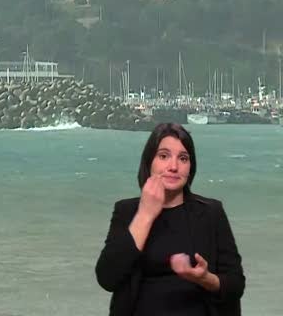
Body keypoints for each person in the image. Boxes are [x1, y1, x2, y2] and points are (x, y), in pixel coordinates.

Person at [95, 122, 245, 316]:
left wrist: (205, 278)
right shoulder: (126, 211)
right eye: (164, 156)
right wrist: (146, 214)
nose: (173, 166)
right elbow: (107, 278)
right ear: (149, 163)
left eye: (183, 158)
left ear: (190, 167)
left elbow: (235, 285)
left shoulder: (211, 212)